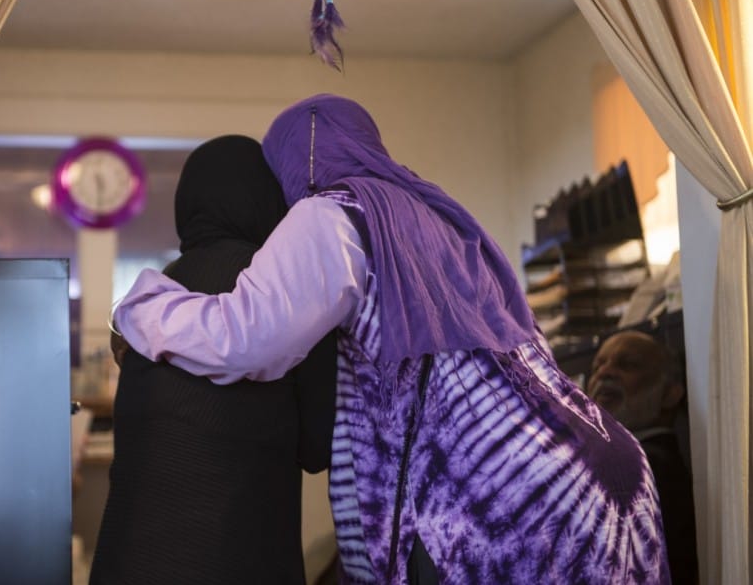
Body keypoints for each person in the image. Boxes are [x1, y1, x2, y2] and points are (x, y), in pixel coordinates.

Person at [114, 94, 670, 584]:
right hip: (597, 466)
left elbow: (246, 337)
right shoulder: (436, 217)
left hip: (497, 497)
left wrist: (141, 308)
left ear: (301, 160)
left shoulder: (331, 215)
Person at [90, 135, 337, 585]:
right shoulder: (287, 298)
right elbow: (317, 449)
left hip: (129, 562)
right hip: (237, 560)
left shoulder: (148, 298)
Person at [589, 330, 698, 584]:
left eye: (627, 365)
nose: (605, 372)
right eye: (597, 366)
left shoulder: (647, 467)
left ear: (671, 394)